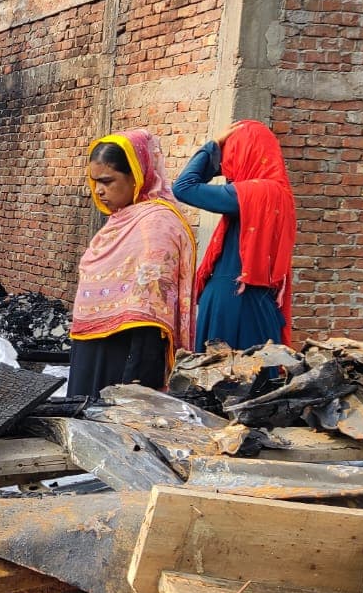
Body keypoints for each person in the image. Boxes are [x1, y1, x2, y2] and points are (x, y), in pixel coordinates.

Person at [68, 130, 197, 397]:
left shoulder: (156, 224)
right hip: (92, 348)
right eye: (95, 182)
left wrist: (135, 380)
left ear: (136, 175)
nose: (99, 190)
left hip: (127, 354)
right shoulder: (120, 220)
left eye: (107, 181)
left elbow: (150, 310)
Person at [173, 119, 297, 350]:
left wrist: (211, 147)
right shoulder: (282, 195)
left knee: (223, 379)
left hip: (231, 303)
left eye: (231, 153)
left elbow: (183, 187)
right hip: (262, 304)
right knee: (261, 381)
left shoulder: (252, 193)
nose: (227, 164)